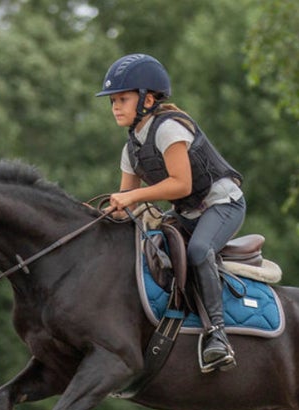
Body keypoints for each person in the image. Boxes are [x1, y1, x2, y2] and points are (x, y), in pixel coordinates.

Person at [97, 53, 244, 373]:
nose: (115, 107)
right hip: (189, 214)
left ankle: (218, 335)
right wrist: (96, 214)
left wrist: (132, 196)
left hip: (222, 205)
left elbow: (180, 184)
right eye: (112, 101)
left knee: (198, 250)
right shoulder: (131, 148)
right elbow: (127, 202)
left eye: (122, 99)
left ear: (147, 99)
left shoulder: (169, 129)